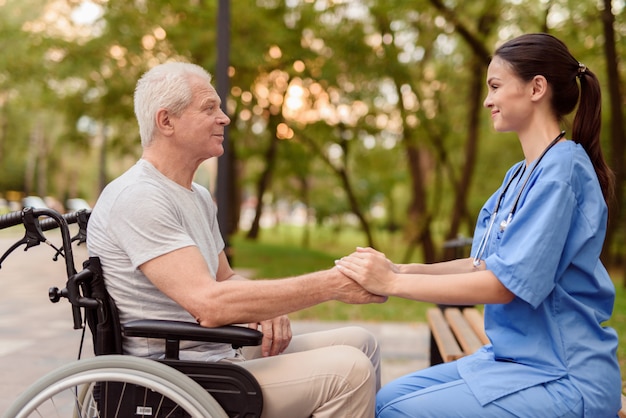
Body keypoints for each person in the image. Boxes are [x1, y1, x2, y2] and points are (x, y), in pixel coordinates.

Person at [335, 33, 621, 417]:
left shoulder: (562, 170)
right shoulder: (518, 175)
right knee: (383, 400)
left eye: (496, 86)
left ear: (537, 88)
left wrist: (393, 284)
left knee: (396, 412)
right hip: (513, 362)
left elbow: (504, 286)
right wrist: (402, 268)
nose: (487, 100)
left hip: (563, 377)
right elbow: (482, 264)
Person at [86, 61, 387, 418]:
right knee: (348, 371)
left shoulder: (195, 195)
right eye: (209, 108)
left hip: (215, 356)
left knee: (360, 343)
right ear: (166, 121)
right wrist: (331, 285)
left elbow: (225, 278)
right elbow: (210, 304)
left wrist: (270, 309)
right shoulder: (139, 196)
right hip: (176, 378)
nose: (225, 118)